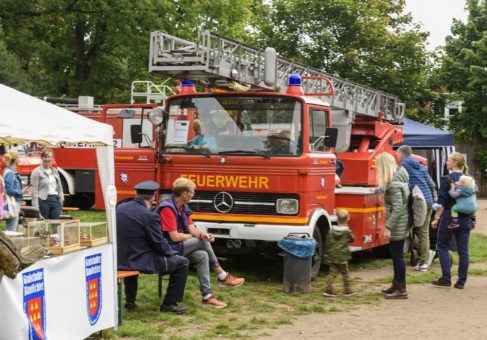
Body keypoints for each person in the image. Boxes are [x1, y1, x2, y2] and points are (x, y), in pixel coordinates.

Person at [157, 177, 245, 309]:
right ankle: (222, 275)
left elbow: (191, 227)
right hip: (167, 249)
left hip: (178, 247)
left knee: (202, 255)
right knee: (201, 242)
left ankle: (207, 297)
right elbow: (174, 237)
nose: (193, 194)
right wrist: (194, 237)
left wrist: (202, 234)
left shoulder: (183, 207)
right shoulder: (167, 208)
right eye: (192, 192)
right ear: (184, 193)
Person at [116, 180, 190, 314]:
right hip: (138, 260)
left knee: (136, 253)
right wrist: (173, 253)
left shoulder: (120, 208)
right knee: (182, 263)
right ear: (153, 198)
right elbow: (159, 244)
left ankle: (130, 302)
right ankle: (169, 304)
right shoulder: (150, 216)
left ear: (136, 193)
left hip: (119, 259)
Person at [431, 152, 473, 289]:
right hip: (466, 217)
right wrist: (473, 218)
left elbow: (442, 200)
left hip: (450, 215)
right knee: (464, 251)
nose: (446, 162)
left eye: (448, 160)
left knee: (442, 246)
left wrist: (436, 218)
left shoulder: (447, 179)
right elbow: (471, 201)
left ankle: (446, 278)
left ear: (454, 163)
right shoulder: (469, 179)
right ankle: (461, 281)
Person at [397, 145, 436, 272]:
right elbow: (431, 184)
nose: (397, 157)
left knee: (418, 231)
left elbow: (402, 185)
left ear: (402, 155)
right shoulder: (421, 166)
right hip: (428, 200)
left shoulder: (403, 166)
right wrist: (432, 198)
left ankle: (424, 261)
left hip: (419, 202)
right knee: (420, 231)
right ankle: (426, 253)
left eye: (398, 155)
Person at [377, 152, 410, 299]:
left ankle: (401, 289)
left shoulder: (394, 184)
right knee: (396, 255)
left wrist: (388, 226)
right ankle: (396, 285)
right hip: (401, 222)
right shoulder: (400, 177)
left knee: (397, 257)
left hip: (397, 224)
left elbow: (397, 208)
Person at [323, 209, 355, 297]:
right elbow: (353, 239)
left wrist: (326, 253)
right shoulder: (347, 232)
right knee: (345, 273)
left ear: (337, 219)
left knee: (332, 273)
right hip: (342, 257)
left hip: (332, 255)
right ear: (347, 219)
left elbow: (327, 242)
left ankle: (328, 290)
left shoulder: (331, 231)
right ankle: (347, 290)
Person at [30, 149, 64, 219]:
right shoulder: (36, 171)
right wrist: (36, 208)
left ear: (52, 158)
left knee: (56, 225)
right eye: (45, 157)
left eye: (49, 157)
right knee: (41, 225)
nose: (47, 159)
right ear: (42, 158)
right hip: (43, 201)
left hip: (56, 200)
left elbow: (59, 187)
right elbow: (34, 191)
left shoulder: (54, 171)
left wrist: (61, 199)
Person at [3, 151, 23, 231]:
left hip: (11, 202)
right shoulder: (10, 173)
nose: (20, 160)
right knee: (12, 229)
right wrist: (22, 192)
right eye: (19, 158)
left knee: (11, 227)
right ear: (16, 160)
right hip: (13, 203)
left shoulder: (8, 171)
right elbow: (10, 191)